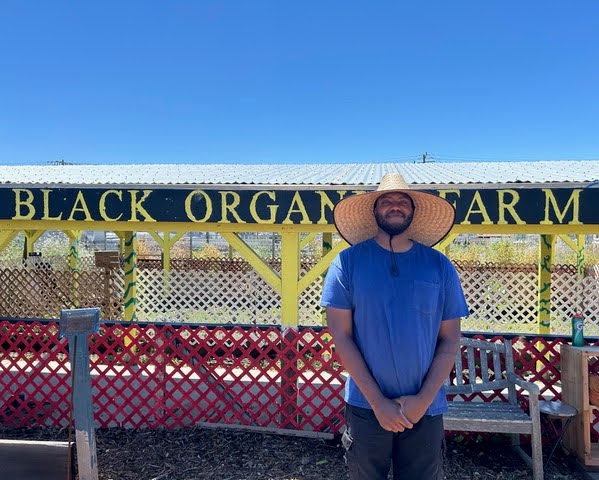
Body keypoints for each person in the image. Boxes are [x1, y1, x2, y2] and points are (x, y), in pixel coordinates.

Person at [321, 173, 469, 480]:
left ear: (413, 212)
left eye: (403, 201)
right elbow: (342, 336)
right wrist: (378, 403)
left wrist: (422, 400)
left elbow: (450, 339)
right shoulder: (347, 263)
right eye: (386, 201)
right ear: (374, 211)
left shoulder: (439, 266)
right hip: (365, 404)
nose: (394, 206)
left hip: (424, 408)